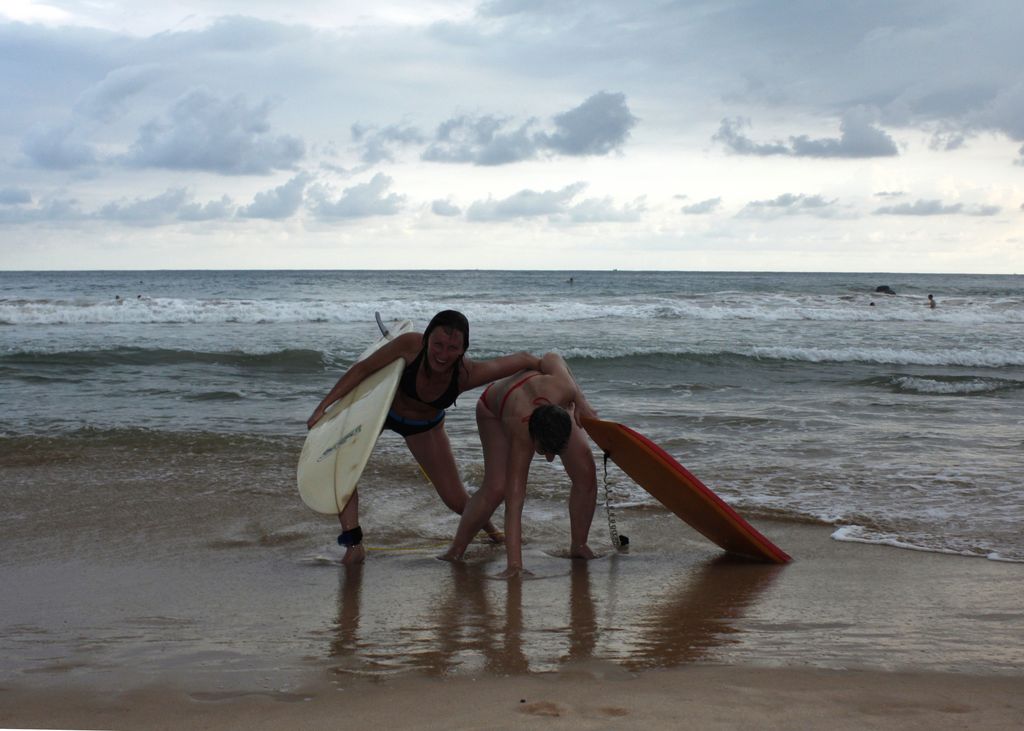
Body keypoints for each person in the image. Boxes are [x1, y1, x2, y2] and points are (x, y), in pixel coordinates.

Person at [307, 310, 543, 565]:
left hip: (424, 427)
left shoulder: (466, 374)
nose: (443, 354)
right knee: (343, 473)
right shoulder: (410, 346)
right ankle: (353, 545)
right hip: (380, 413)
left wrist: (557, 377)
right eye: (438, 344)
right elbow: (364, 369)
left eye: (453, 348)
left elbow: (524, 360)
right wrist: (325, 405)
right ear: (427, 338)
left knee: (455, 499)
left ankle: (493, 532)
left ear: (463, 349)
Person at [441, 352, 598, 577]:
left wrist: (580, 400)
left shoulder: (564, 389)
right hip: (494, 409)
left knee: (585, 469)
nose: (550, 459)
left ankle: (579, 545)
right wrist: (515, 565)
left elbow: (552, 358)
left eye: (554, 453)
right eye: (544, 452)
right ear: (533, 439)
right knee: (498, 488)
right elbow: (515, 503)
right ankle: (456, 550)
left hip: (543, 402)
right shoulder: (521, 432)